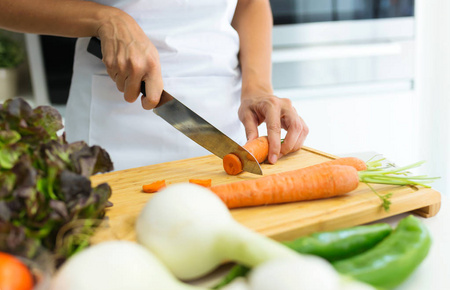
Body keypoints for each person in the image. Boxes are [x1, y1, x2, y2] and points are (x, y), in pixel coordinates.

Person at [0, 0, 309, 170]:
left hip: (221, 117)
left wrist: (257, 87)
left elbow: (250, 3)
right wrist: (104, 19)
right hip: (113, 122)